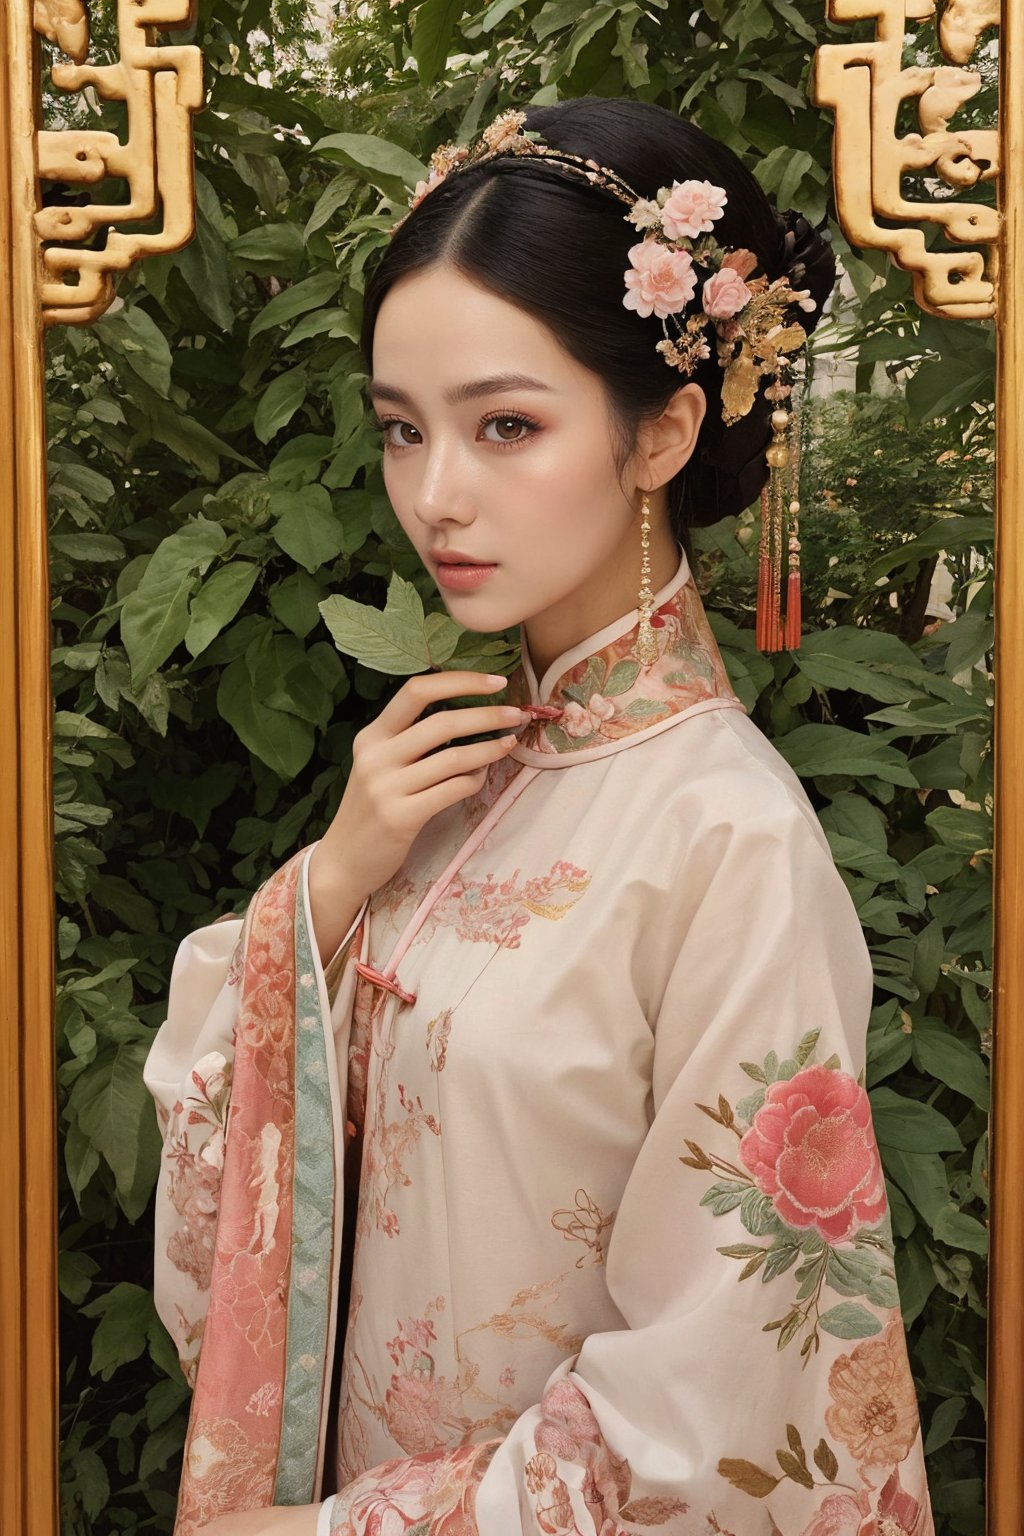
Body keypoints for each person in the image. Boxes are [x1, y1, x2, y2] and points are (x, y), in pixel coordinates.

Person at [144, 95, 935, 1536]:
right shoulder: (450, 781)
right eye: (402, 430)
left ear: (664, 432)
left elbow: (725, 1401)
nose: (436, 496)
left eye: (507, 424)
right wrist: (326, 891)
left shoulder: (726, 841)